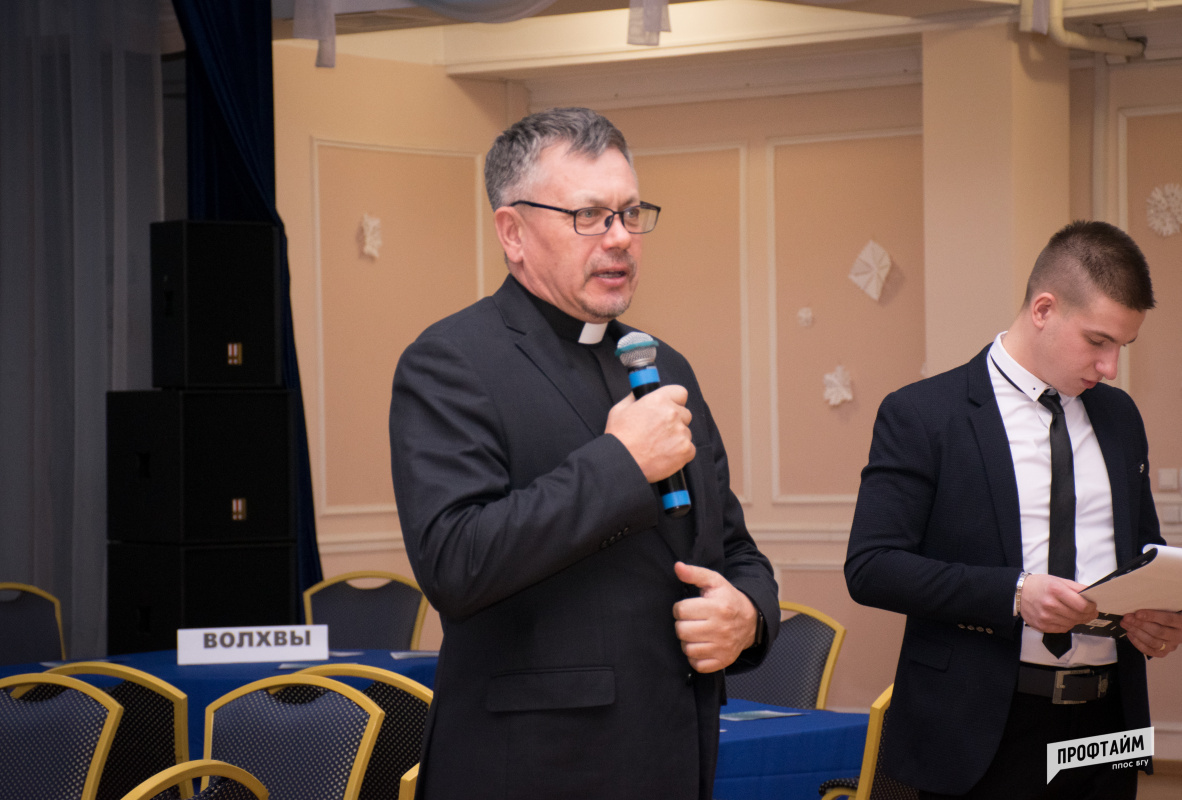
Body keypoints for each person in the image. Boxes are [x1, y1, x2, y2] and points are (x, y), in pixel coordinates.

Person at [389, 107, 779, 800]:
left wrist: (748, 616)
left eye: (630, 213)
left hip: (671, 756)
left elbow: (732, 547)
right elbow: (455, 562)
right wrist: (621, 463)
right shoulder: (451, 361)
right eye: (590, 216)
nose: (620, 238)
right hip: (532, 769)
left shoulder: (665, 366)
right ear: (512, 232)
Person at [845, 220, 1181, 799]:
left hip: (1108, 724)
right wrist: (1016, 594)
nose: (1110, 367)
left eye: (1121, 348)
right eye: (1097, 342)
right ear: (1043, 309)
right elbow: (872, 567)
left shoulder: (1120, 417)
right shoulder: (924, 414)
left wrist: (1158, 615)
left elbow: (1141, 553)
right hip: (979, 727)